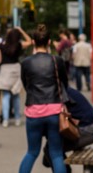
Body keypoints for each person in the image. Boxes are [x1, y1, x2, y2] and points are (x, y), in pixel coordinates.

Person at [19, 24, 68, 173]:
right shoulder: (57, 60)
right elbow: (64, 83)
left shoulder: (26, 62)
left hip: (34, 111)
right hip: (54, 111)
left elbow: (26, 84)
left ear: (33, 42)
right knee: (56, 154)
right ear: (49, 42)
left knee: (32, 152)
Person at [43, 87, 93, 172]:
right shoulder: (65, 90)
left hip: (88, 130)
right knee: (50, 150)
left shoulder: (58, 94)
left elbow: (55, 122)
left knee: (51, 149)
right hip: (90, 128)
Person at [0, 27, 31, 127]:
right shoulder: (18, 45)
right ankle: (17, 119)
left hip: (5, 70)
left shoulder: (1, 45)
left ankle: (5, 120)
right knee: (16, 95)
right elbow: (30, 41)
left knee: (5, 96)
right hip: (16, 69)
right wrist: (21, 30)